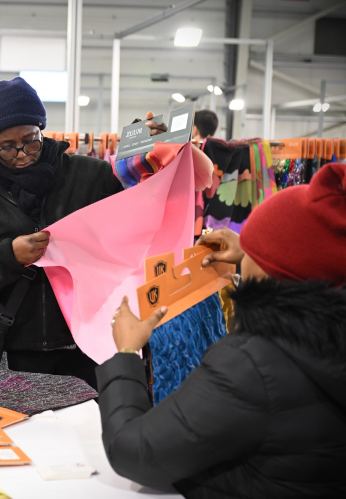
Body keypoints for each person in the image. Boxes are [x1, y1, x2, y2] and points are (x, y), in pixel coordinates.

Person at [97, 162, 346, 498]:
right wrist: (250, 250)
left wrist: (127, 352)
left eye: (254, 251)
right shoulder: (318, 340)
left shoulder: (253, 364)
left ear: (272, 270)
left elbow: (135, 453)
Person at [0, 77, 165, 388]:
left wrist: (151, 149)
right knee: (19, 420)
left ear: (41, 129)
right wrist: (8, 256)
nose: (22, 154)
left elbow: (142, 208)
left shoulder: (89, 176)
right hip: (13, 350)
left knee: (91, 419)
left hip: (88, 345)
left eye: (30, 141)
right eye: (6, 148)